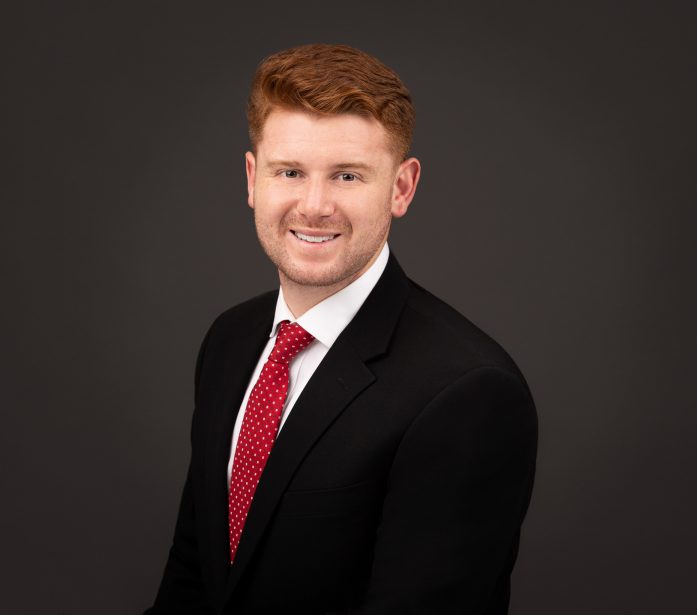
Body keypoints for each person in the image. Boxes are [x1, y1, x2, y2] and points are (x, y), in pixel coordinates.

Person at [146, 43, 537, 615]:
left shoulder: (468, 392)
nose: (314, 204)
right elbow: (192, 581)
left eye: (348, 175)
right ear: (253, 178)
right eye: (290, 171)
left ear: (401, 188)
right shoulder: (229, 342)